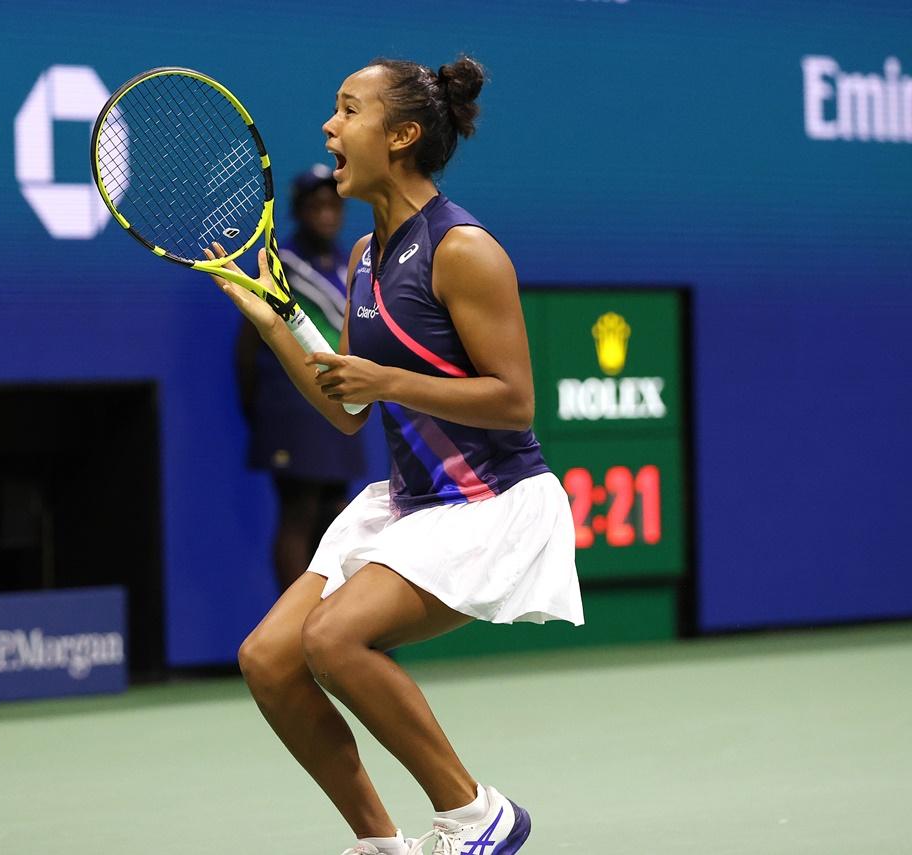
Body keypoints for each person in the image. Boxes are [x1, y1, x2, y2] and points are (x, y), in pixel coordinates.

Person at [206, 55, 583, 855]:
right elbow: (349, 411)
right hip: (410, 501)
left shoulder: (464, 249)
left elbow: (514, 400)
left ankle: (478, 814)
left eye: (348, 111)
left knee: (333, 639)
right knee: (269, 658)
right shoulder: (367, 257)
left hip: (491, 501)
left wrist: (390, 378)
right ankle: (382, 844)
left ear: (403, 134)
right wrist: (277, 324)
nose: (328, 127)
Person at [235, 165, 367, 593]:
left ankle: (332, 629)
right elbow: (248, 350)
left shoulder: (346, 267)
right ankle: (294, 636)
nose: (327, 214)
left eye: (333, 205)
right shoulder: (280, 264)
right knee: (299, 514)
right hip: (290, 412)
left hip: (336, 406)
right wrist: (264, 413)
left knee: (335, 514)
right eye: (316, 205)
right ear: (299, 210)